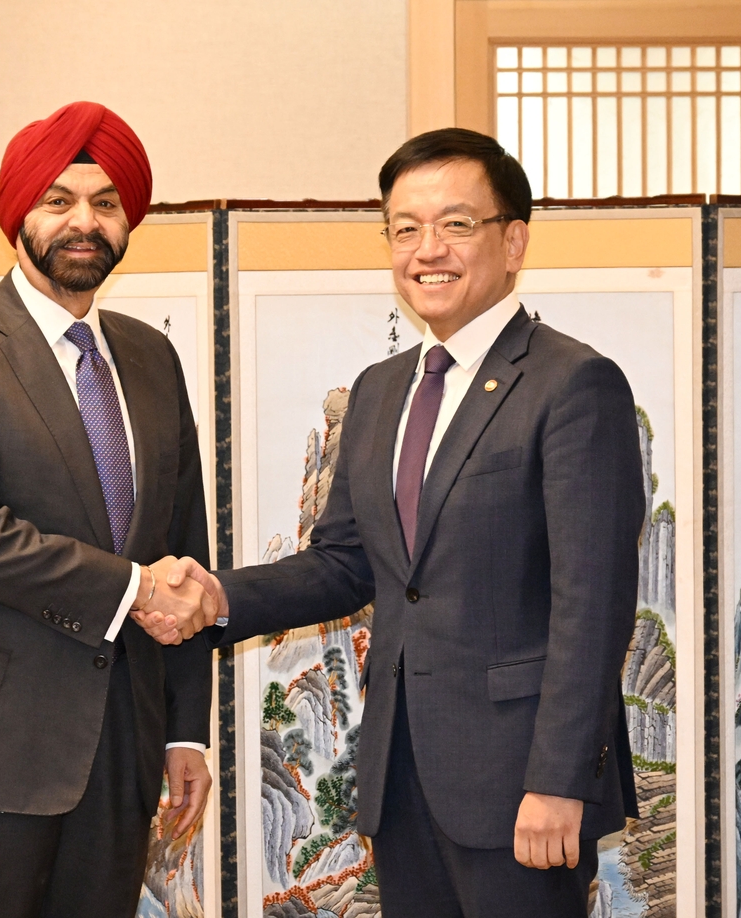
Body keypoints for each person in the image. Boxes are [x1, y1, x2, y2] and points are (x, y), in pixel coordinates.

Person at [149, 128, 644, 917]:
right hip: (401, 776)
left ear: (513, 241)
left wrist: (558, 780)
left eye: (456, 224)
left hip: (521, 787)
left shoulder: (573, 384)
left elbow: (593, 605)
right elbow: (345, 563)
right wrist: (215, 597)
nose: (427, 249)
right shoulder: (382, 391)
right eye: (404, 228)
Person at [0, 101, 214, 918]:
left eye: (106, 202)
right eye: (59, 199)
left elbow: (183, 544)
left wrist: (183, 729)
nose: (84, 221)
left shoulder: (149, 354)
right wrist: (135, 590)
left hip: (122, 746)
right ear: (18, 215)